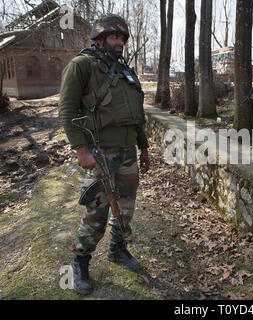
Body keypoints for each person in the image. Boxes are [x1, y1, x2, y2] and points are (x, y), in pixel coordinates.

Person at [58, 15, 150, 295]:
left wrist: (144, 148)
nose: (120, 42)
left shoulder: (126, 71)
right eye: (114, 37)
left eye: (122, 38)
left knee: (126, 209)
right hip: (100, 152)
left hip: (127, 152)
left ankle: (117, 250)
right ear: (99, 39)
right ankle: (80, 261)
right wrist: (81, 149)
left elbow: (137, 116)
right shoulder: (81, 66)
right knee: (96, 212)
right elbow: (67, 110)